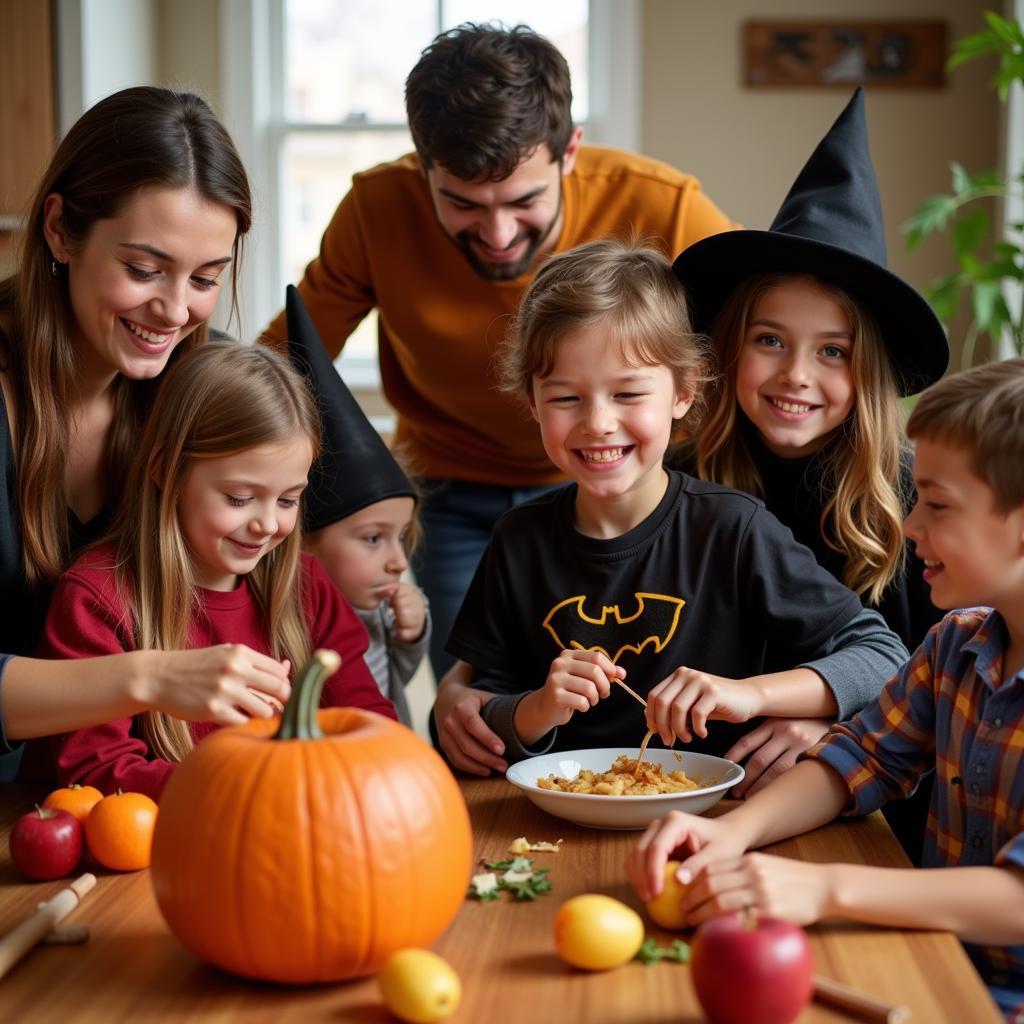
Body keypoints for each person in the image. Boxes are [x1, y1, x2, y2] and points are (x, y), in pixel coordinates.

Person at [259, 23, 737, 679]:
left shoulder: (666, 206)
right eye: (463, 204)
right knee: (481, 700)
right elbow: (287, 360)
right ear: (422, 164)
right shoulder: (375, 208)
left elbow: (754, 346)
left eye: (524, 201)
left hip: (630, 484)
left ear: (570, 151)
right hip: (454, 491)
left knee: (637, 685)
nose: (498, 233)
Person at [627, 358, 1024, 1022]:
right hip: (933, 971)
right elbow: (859, 760)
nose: (911, 524)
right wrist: (733, 834)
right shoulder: (953, 646)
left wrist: (822, 887)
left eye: (938, 503)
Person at [443, 239, 907, 764]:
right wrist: (538, 708)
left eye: (628, 394)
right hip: (556, 824)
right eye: (566, 397)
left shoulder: (734, 528)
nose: (597, 423)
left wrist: (750, 693)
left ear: (683, 392)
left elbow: (882, 657)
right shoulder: (518, 538)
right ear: (532, 402)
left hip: (716, 817)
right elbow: (481, 706)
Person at [670, 88, 950, 855]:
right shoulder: (675, 479)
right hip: (695, 796)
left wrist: (838, 721)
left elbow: (946, 689)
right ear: (728, 346)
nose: (797, 374)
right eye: (770, 339)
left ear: (868, 371)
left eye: (832, 351)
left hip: (870, 817)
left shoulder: (914, 503)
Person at [0, 86, 290, 783]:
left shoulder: (196, 387)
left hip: (110, 797)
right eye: (143, 270)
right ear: (60, 229)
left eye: (206, 278)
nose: (174, 310)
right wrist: (152, 676)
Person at [29, 342, 396, 799]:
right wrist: (243, 785)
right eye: (240, 498)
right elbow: (96, 773)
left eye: (288, 500)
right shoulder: (97, 598)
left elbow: (370, 722)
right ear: (168, 471)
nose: (267, 524)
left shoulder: (308, 587)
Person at [286, 286, 429, 727]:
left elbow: (391, 680)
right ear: (303, 543)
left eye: (399, 537)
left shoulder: (374, 606)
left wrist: (413, 634)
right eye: (373, 538)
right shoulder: (286, 621)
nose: (398, 562)